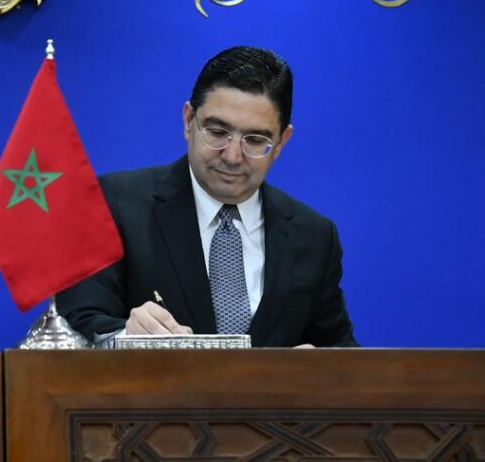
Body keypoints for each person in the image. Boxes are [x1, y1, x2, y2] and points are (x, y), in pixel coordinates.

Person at [57, 46, 358, 347]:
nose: (232, 156)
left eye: (255, 140)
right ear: (189, 121)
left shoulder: (314, 236)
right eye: (217, 132)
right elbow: (74, 327)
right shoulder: (113, 205)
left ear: (281, 142)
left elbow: (342, 352)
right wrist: (126, 338)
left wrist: (320, 366)